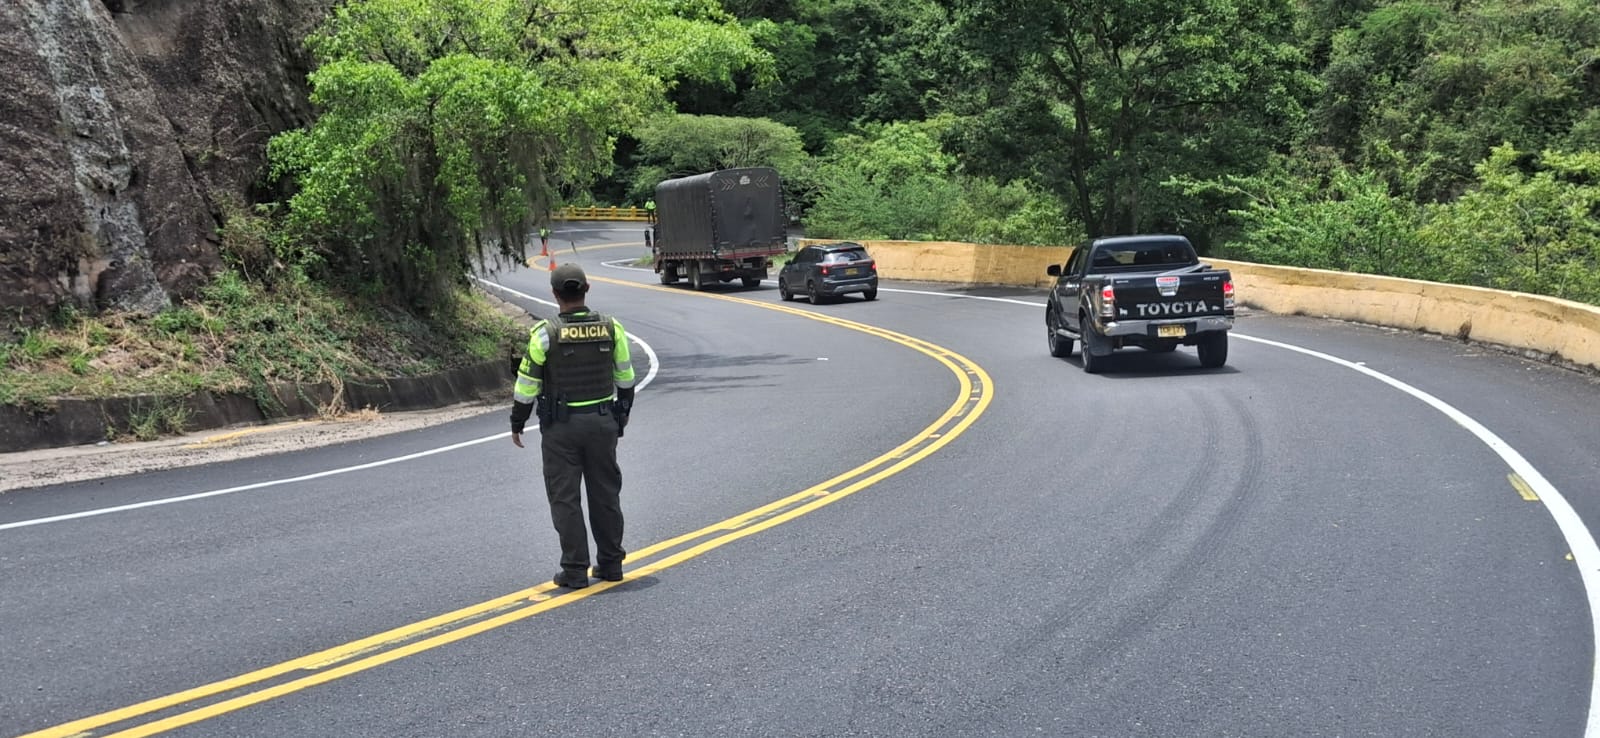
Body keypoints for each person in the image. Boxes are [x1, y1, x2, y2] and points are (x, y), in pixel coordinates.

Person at [510, 263, 637, 589]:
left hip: (561, 429)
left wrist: (517, 422)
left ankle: (575, 569)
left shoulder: (545, 335)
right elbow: (626, 379)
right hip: (601, 422)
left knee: (565, 498)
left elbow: (526, 386)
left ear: (555, 294)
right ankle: (611, 564)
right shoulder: (612, 328)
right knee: (606, 493)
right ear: (586, 289)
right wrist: (620, 416)